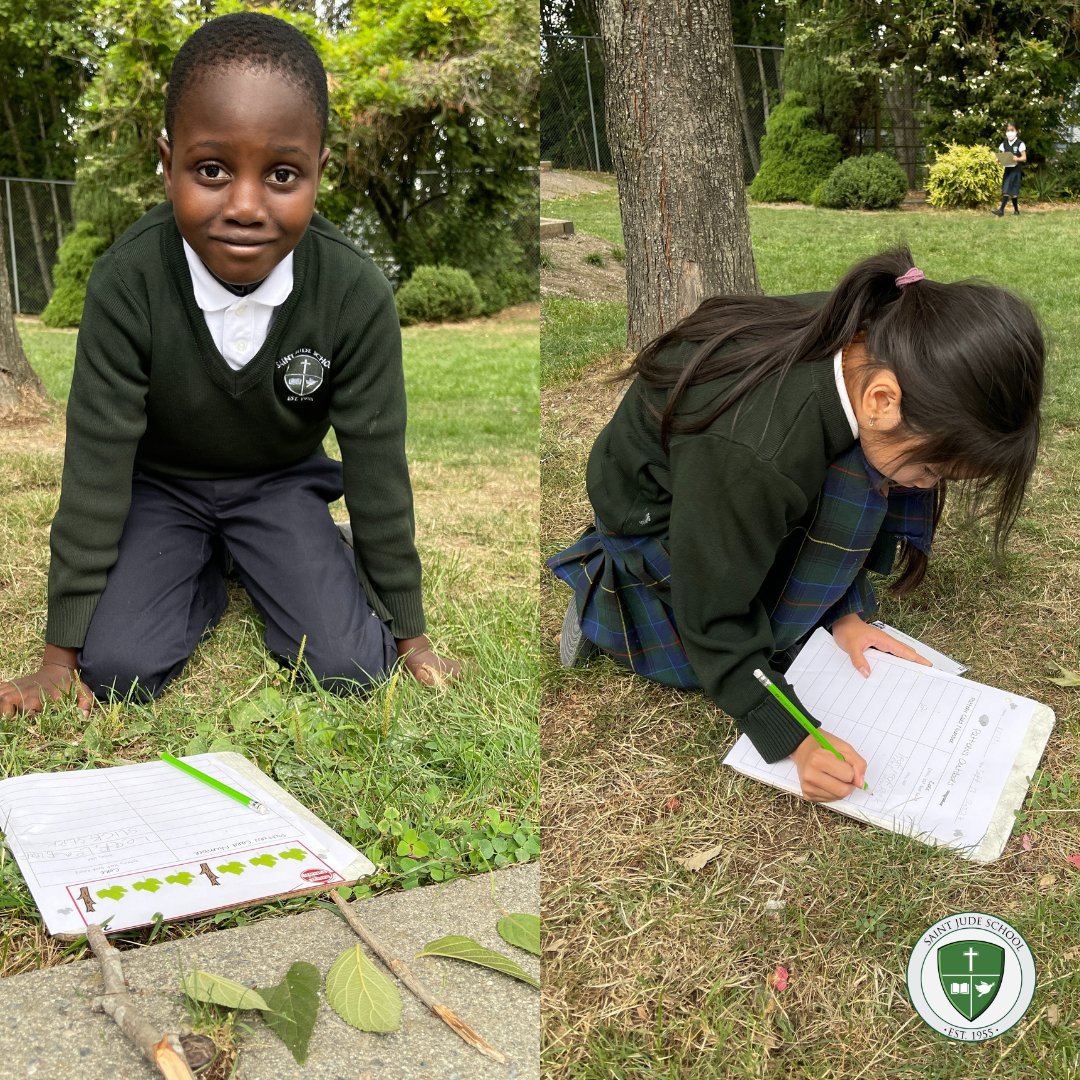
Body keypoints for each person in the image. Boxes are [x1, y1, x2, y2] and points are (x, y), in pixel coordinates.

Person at [0, 12, 459, 720]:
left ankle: (284, 547)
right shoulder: (127, 283)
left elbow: (377, 470)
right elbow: (94, 471)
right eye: (211, 170)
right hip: (163, 487)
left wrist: (410, 633)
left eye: (281, 174)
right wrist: (56, 661)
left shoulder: (353, 291)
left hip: (278, 483)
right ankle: (211, 564)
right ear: (167, 162)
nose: (245, 206)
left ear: (318, 171)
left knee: (348, 671)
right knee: (119, 668)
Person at [547, 249, 1044, 802]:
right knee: (730, 650)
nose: (926, 486)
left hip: (728, 487)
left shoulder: (877, 338)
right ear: (883, 399)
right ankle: (604, 596)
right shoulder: (757, 453)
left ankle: (814, 591)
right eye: (930, 468)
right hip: (651, 516)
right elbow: (714, 620)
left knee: (870, 478)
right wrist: (796, 737)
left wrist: (844, 615)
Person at [992, 121, 1027, 216]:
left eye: (1012, 130)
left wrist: (1017, 158)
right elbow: (1001, 156)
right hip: (1007, 169)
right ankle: (1015, 211)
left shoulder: (1020, 143)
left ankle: (1002, 210)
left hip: (1016, 170)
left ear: (1017, 131)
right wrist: (998, 160)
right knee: (1007, 189)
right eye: (1008, 130)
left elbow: (1024, 158)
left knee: (1013, 191)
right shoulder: (1004, 144)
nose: (1010, 132)